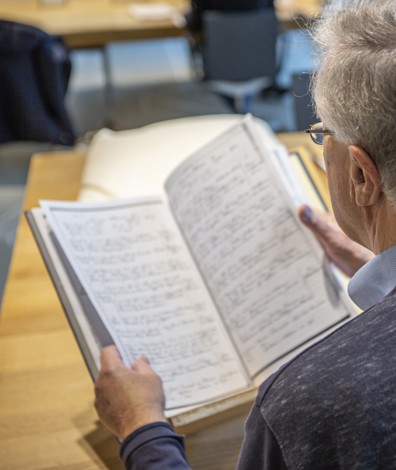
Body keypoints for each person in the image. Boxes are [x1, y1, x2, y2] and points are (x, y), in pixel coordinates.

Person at [94, 0, 396, 467]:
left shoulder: (304, 402)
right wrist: (375, 272)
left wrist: (142, 429)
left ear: (362, 176)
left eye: (321, 134)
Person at [185, 0, 274, 34]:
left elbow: (195, 25)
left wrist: (186, 17)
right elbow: (271, 17)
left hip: (219, 63)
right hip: (259, 63)